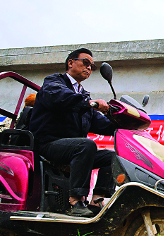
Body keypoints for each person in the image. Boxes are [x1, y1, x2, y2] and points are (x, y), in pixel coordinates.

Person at [29, 48, 116, 217]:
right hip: (48, 144)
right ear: (71, 63)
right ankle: (76, 201)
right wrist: (91, 103)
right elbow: (61, 98)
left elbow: (99, 123)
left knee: (112, 157)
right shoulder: (54, 82)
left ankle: (97, 201)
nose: (89, 68)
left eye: (91, 66)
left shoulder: (82, 95)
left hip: (72, 149)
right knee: (86, 145)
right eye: (85, 63)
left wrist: (121, 123)